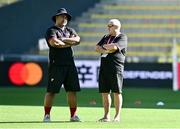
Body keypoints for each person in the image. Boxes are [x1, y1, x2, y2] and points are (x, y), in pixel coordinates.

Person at [43, 8, 81, 122]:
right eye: (62, 16)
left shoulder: (70, 30)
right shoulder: (51, 30)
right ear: (56, 18)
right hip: (56, 64)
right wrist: (69, 43)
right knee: (52, 91)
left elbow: (78, 40)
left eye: (66, 17)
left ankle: (73, 115)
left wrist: (63, 39)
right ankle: (47, 115)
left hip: (70, 64)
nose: (64, 18)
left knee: (72, 90)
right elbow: (55, 43)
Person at [95, 19, 127, 122]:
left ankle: (117, 116)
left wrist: (104, 48)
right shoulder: (105, 37)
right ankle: (106, 116)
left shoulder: (122, 37)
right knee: (104, 92)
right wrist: (107, 49)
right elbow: (96, 48)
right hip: (104, 67)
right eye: (108, 25)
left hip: (115, 67)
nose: (108, 27)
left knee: (117, 92)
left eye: (110, 25)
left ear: (116, 26)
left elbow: (114, 47)